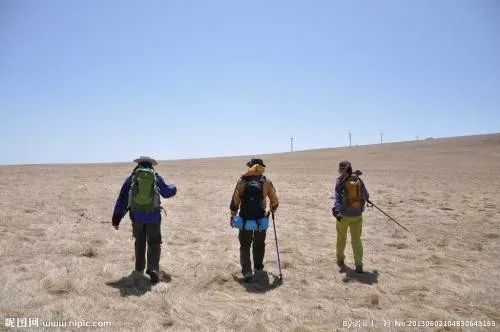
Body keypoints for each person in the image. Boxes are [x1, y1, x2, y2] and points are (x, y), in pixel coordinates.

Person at [112, 156, 177, 284]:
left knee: (139, 241)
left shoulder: (131, 178)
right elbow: (167, 192)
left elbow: (122, 198)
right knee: (154, 242)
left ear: (138, 164)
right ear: (151, 165)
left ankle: (139, 268)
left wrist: (117, 217)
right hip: (153, 216)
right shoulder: (155, 177)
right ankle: (153, 269)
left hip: (136, 217)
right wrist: (174, 187)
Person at [230, 158, 279, 282]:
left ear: (250, 167)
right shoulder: (266, 181)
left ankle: (247, 272)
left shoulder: (242, 180)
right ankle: (258, 267)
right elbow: (275, 201)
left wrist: (233, 215)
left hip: (245, 219)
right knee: (259, 244)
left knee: (245, 245)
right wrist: (272, 210)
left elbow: (235, 201)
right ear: (262, 167)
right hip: (260, 220)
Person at [332, 160, 369, 273]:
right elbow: (366, 195)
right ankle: (359, 266)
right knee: (356, 240)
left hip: (343, 216)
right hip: (357, 215)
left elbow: (338, 199)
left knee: (341, 238)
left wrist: (336, 211)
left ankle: (340, 260)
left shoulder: (340, 182)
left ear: (341, 170)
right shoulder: (358, 180)